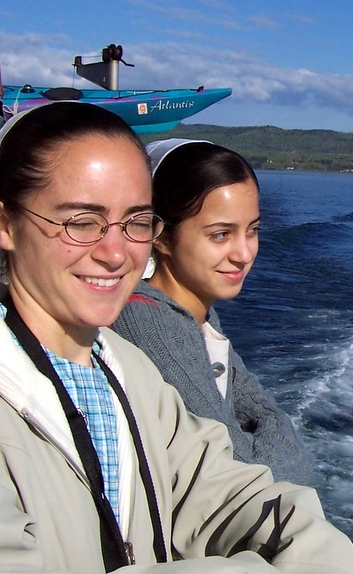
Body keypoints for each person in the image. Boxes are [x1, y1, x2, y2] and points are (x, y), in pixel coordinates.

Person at [0, 102, 353, 574]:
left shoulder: (122, 369)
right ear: (4, 222)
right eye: (80, 221)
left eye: (136, 222)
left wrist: (317, 558)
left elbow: (218, 487)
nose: (116, 253)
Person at [113, 139, 314, 485]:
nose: (244, 253)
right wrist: (279, 438)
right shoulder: (153, 330)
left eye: (252, 230)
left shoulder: (195, 315)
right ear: (158, 235)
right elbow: (251, 474)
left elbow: (260, 409)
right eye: (221, 235)